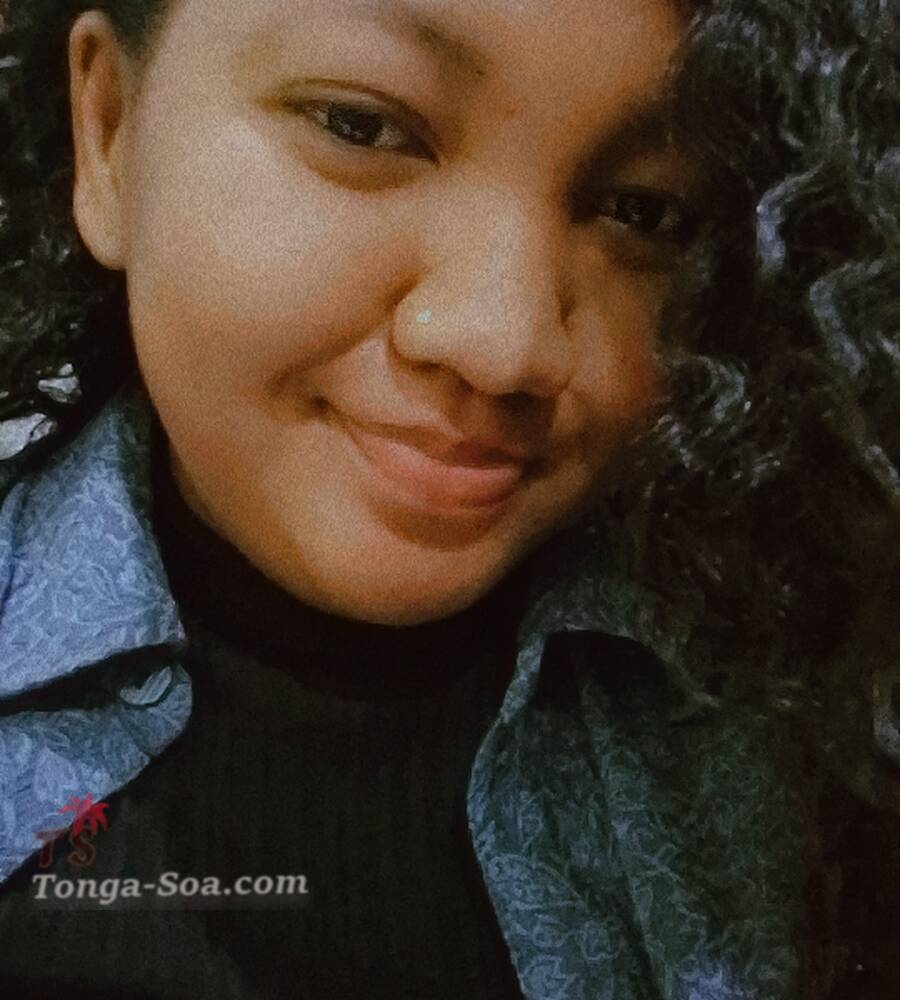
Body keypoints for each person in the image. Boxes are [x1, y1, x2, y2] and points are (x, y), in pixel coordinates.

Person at [0, 0, 896, 998]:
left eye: (645, 210)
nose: (503, 342)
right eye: (361, 126)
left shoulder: (812, 720)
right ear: (110, 129)